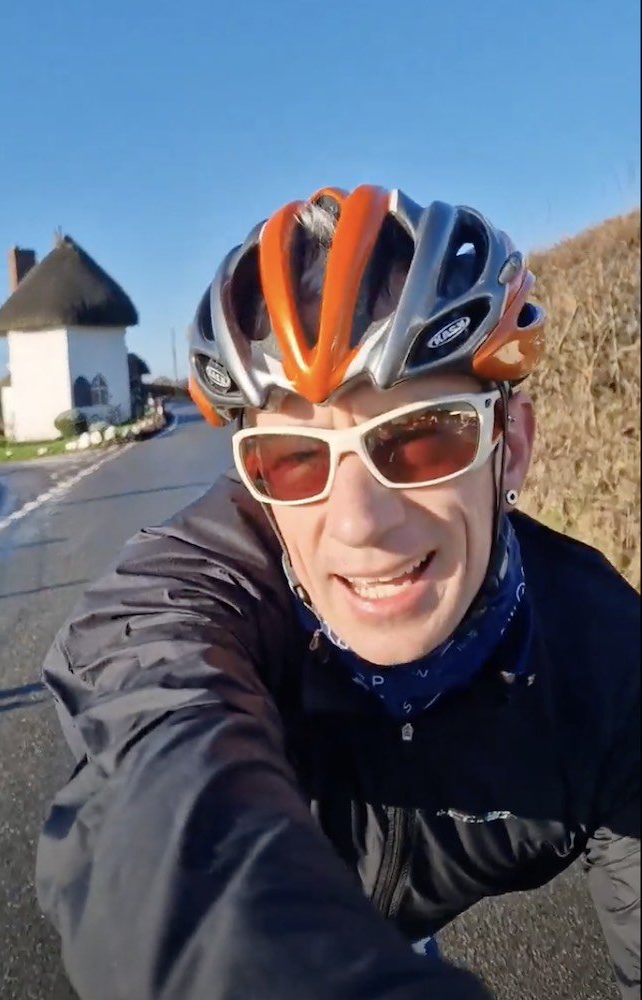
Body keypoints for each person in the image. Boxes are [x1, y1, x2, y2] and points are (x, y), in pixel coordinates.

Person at [37, 185, 640, 1000]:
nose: (357, 524)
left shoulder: (611, 668)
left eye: (423, 439)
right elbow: (162, 799)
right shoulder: (189, 608)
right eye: (292, 459)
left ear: (514, 446)